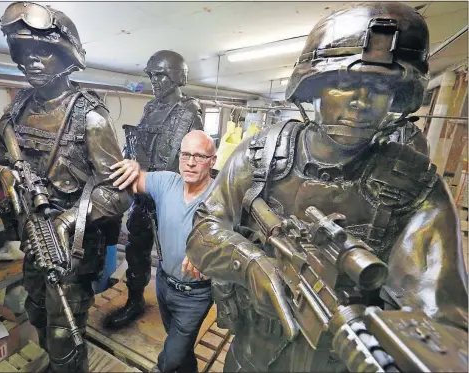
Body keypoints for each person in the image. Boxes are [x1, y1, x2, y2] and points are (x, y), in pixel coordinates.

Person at [185, 2, 468, 372]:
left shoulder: (413, 188)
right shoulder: (259, 155)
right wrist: (254, 265)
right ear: (314, 87)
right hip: (250, 354)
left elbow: (442, 323)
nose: (361, 103)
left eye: (380, 88)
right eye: (345, 84)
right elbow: (204, 229)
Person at [0, 2, 131, 372]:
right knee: (36, 313)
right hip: (33, 241)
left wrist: (72, 217)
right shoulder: (16, 109)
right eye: (24, 53)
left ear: (65, 55)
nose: (32, 61)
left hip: (71, 248)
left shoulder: (90, 116)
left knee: (65, 335)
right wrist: (5, 176)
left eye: (43, 51)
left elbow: (119, 192)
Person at [104, 50, 204, 329]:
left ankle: (179, 309)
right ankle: (135, 301)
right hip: (142, 195)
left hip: (171, 196)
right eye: (151, 75)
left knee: (175, 257)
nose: (155, 81)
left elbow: (190, 161)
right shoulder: (150, 109)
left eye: (160, 75)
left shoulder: (189, 113)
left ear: (176, 76)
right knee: (136, 251)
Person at [109, 130, 216, 373]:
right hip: (164, 285)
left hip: (195, 295)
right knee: (181, 349)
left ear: (212, 161)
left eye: (199, 156)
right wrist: (133, 166)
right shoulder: (168, 181)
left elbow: (238, 238)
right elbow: (134, 179)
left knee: (169, 359)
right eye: (185, 154)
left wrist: (211, 251)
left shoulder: (221, 196)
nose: (190, 162)